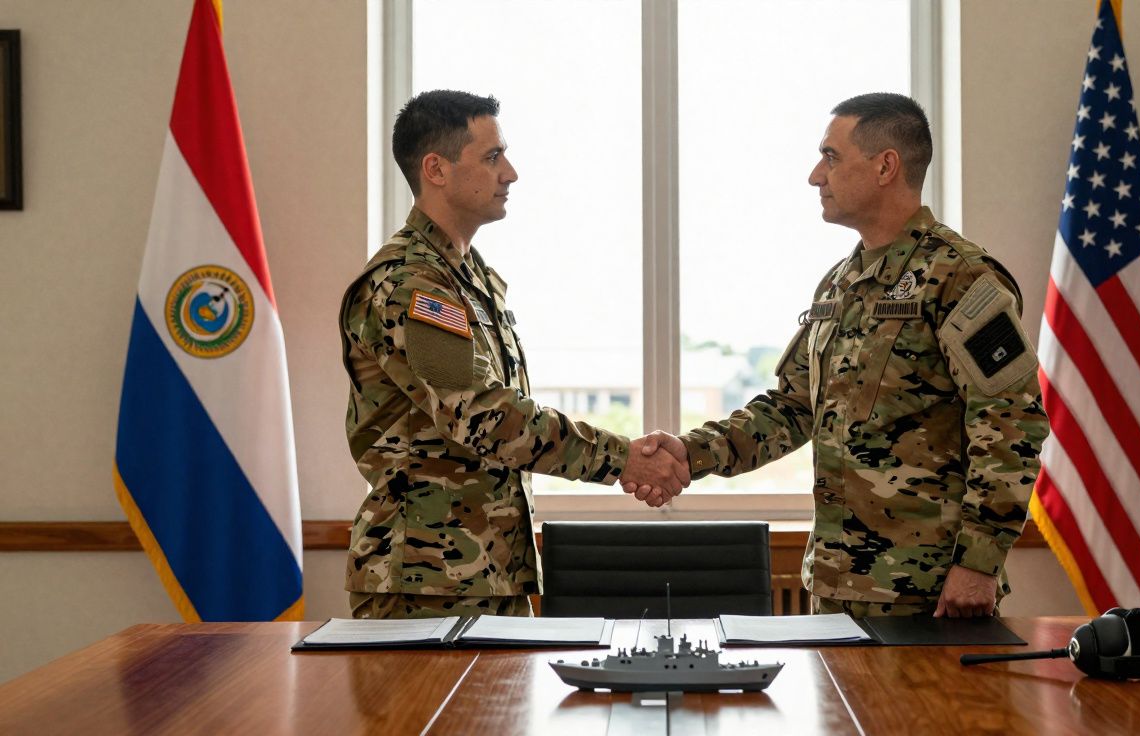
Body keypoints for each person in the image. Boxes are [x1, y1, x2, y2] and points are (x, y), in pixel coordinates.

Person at [628, 93, 1050, 618]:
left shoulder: (960, 277)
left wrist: (979, 563)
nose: (814, 176)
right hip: (836, 587)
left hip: (928, 595)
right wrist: (691, 453)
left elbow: (1011, 423)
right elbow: (792, 408)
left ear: (885, 166)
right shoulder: (839, 284)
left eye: (830, 157)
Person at [340, 90, 687, 620]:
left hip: (486, 574)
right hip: (424, 584)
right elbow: (485, 414)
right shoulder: (412, 283)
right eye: (492, 157)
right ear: (436, 168)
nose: (511, 173)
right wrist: (621, 459)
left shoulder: (467, 279)